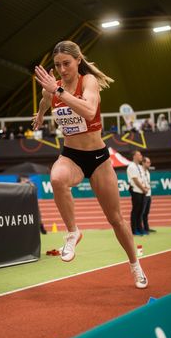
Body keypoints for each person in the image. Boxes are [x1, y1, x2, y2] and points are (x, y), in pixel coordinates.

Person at [33, 40, 148, 289]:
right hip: (71, 155)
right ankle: (73, 232)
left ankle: (135, 265)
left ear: (77, 61)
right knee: (56, 179)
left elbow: (88, 110)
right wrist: (41, 114)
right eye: (57, 65)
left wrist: (58, 91)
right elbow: (45, 100)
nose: (62, 69)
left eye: (67, 63)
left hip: (97, 159)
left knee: (116, 219)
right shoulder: (53, 88)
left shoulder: (89, 82)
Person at [127, 150, 149, 236]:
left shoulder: (139, 167)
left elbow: (142, 178)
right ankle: (134, 229)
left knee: (140, 211)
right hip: (136, 191)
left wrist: (145, 187)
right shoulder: (131, 166)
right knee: (135, 211)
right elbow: (135, 180)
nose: (141, 156)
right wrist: (143, 189)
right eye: (139, 155)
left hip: (141, 191)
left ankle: (140, 228)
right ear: (134, 156)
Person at [141, 156, 156, 233]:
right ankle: (140, 228)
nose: (149, 164)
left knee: (146, 212)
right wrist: (144, 188)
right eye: (148, 162)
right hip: (143, 194)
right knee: (141, 212)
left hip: (148, 194)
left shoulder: (147, 172)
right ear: (143, 163)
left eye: (149, 162)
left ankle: (146, 228)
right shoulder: (140, 171)